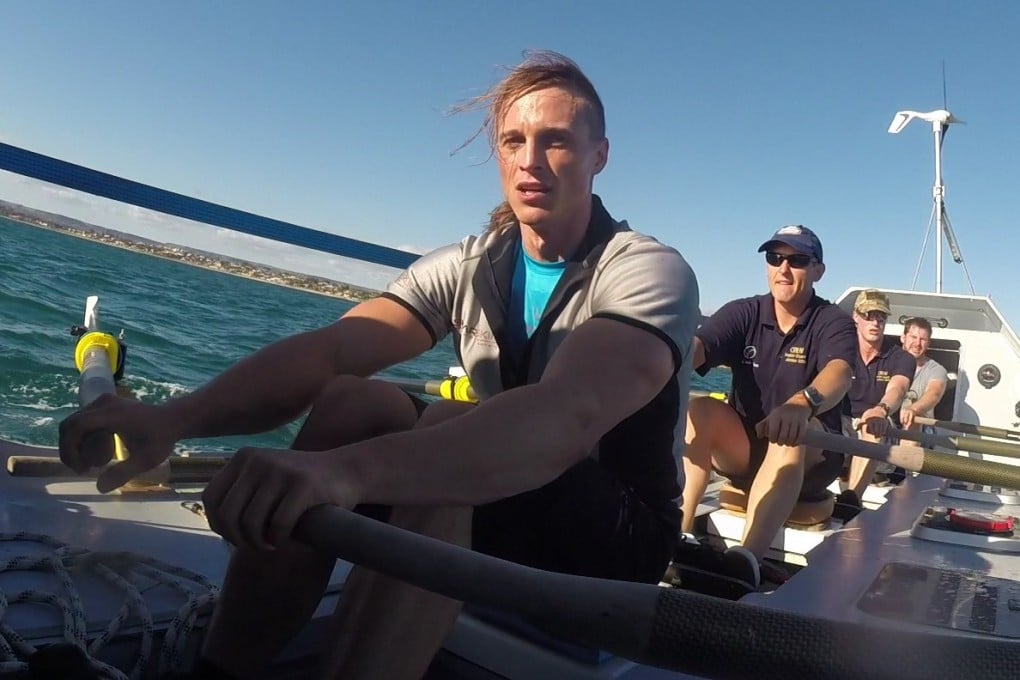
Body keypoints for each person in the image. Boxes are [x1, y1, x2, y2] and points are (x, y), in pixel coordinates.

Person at [58, 51, 700, 680]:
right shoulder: (474, 264)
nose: (531, 160)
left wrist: (344, 475)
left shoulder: (645, 270)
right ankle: (225, 668)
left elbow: (569, 418)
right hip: (517, 494)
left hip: (617, 540)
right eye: (514, 140)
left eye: (556, 140)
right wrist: (174, 419)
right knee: (350, 401)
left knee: (444, 430)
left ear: (599, 157)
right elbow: (335, 350)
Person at [680, 225, 855, 586]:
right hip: (747, 452)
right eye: (775, 258)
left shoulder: (833, 321)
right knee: (700, 411)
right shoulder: (743, 312)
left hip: (811, 457)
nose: (784, 269)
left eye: (797, 260)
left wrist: (802, 403)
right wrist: (663, 362)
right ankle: (674, 536)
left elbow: (840, 371)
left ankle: (746, 562)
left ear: (818, 270)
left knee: (789, 433)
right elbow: (697, 347)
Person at [842, 290, 916, 499]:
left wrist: (880, 410)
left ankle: (850, 500)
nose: (875, 322)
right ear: (856, 317)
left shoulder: (902, 358)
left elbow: (898, 388)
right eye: (869, 315)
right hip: (841, 423)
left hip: (879, 426)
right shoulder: (840, 349)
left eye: (881, 317)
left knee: (872, 426)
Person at [898, 316, 949, 442]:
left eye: (923, 339)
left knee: (913, 423)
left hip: (921, 428)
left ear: (928, 343)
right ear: (903, 338)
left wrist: (913, 410)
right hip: (888, 423)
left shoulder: (937, 370)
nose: (917, 344)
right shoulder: (888, 363)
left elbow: (934, 393)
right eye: (914, 337)